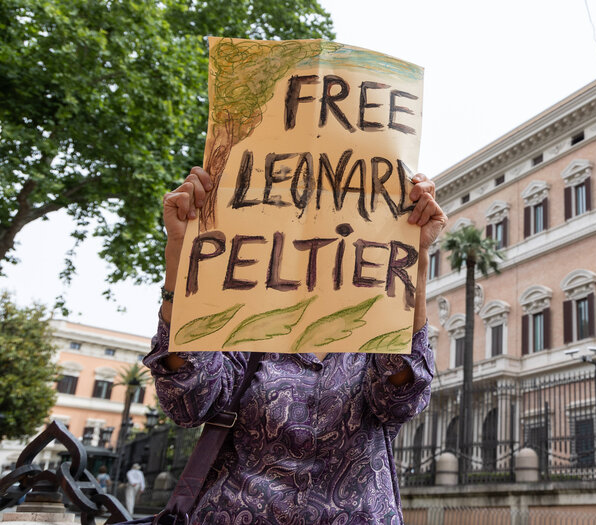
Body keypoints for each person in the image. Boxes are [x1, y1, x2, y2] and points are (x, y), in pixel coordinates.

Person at [145, 166, 445, 523]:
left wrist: (415, 260)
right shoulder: (242, 321)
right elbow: (187, 402)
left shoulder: (374, 329)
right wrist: (179, 257)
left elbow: (402, 398)